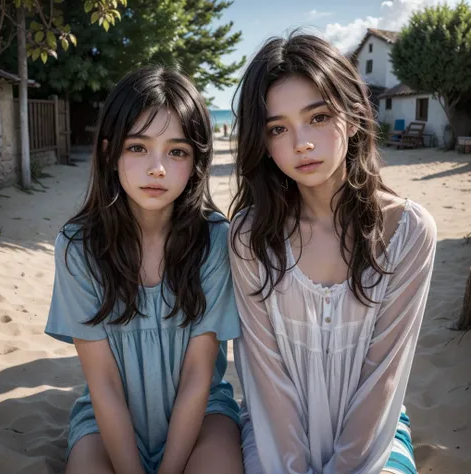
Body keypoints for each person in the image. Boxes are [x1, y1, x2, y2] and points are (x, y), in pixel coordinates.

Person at [228, 33, 437, 474]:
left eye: (318, 117)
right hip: (272, 433)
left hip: (373, 435)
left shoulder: (407, 231)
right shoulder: (250, 236)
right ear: (263, 143)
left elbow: (383, 374)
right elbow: (265, 374)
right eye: (278, 128)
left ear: (354, 116)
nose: (301, 142)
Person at [45, 66, 243, 474]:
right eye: (137, 147)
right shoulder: (77, 246)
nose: (158, 168)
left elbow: (197, 373)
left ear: (195, 162)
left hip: (203, 414)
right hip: (108, 420)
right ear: (108, 151)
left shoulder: (213, 240)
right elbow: (102, 382)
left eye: (177, 151)